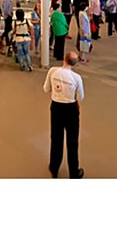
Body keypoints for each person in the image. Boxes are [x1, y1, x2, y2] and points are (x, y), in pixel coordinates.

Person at [44, 51, 85, 179]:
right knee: (72, 141)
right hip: (71, 109)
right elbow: (81, 96)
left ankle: (54, 168)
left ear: (64, 59)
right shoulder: (77, 77)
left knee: (56, 138)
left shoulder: (53, 71)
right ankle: (74, 171)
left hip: (56, 107)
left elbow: (46, 89)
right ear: (75, 64)